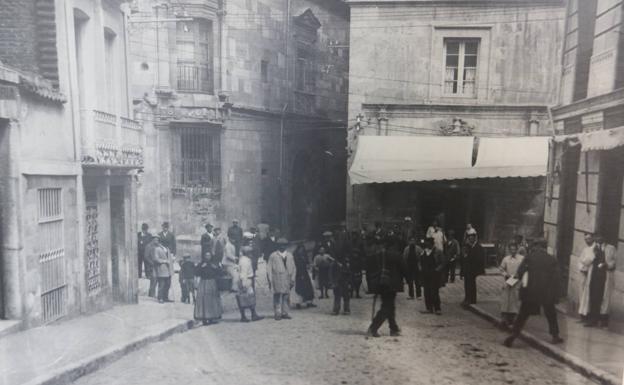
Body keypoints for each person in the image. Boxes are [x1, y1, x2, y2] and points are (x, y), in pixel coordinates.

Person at [504, 239, 563, 347]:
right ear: (545, 248)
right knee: (551, 314)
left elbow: (520, 272)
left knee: (523, 315)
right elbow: (557, 279)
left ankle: (513, 335)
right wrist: (556, 295)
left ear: (537, 247)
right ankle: (555, 336)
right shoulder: (551, 259)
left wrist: (510, 282)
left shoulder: (529, 257)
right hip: (546, 293)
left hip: (530, 292)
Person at [367, 237, 406, 337]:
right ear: (394, 245)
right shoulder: (396, 255)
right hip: (391, 284)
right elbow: (404, 268)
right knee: (387, 307)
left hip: (381, 283)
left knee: (390, 306)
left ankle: (393, 328)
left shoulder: (379, 254)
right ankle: (373, 328)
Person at [583, 234, 617, 328]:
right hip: (594, 276)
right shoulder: (591, 248)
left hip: (605, 276)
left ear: (604, 238)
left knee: (604, 299)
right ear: (595, 238)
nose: (599, 239)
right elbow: (585, 261)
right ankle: (593, 320)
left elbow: (614, 261)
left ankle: (603, 321)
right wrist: (593, 255)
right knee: (594, 297)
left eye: (601, 237)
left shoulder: (611, 248)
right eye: (597, 237)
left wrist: (608, 265)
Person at [267, 238, 296, 320]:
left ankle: (285, 312)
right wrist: (270, 279)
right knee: (277, 295)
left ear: (286, 246)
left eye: (284, 245)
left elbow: (294, 267)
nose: (282, 247)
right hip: (277, 277)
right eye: (280, 245)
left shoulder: (290, 255)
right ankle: (277, 313)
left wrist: (293, 278)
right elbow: (269, 268)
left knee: (286, 295)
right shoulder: (273, 255)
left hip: (287, 277)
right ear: (278, 246)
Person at [499, 242, 524, 327]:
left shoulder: (521, 259)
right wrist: (506, 274)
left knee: (515, 299)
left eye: (514, 249)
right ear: (509, 250)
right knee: (506, 299)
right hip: (508, 281)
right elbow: (501, 269)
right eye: (511, 249)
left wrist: (519, 274)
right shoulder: (506, 259)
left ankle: (514, 319)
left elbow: (524, 269)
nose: (513, 251)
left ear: (517, 249)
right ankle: (504, 319)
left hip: (517, 281)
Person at [194, 252, 223, 325]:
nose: (208, 257)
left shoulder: (214, 264)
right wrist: (201, 267)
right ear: (204, 256)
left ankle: (212, 317)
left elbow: (220, 272)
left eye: (209, 255)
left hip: (212, 283)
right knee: (204, 300)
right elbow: (196, 272)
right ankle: (204, 317)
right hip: (203, 283)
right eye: (206, 255)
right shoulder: (201, 264)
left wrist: (216, 268)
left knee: (212, 300)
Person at [236, 246, 264, 322]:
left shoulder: (244, 260)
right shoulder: (245, 261)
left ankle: (252, 314)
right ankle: (245, 316)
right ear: (247, 253)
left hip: (246, 280)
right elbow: (243, 273)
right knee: (245, 298)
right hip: (246, 280)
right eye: (250, 252)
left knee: (248, 297)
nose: (251, 254)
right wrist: (244, 284)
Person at [420, 238, 446, 315]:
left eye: (428, 243)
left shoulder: (438, 252)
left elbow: (443, 262)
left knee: (434, 291)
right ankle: (429, 308)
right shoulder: (423, 251)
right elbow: (420, 261)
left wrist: (437, 270)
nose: (427, 245)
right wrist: (420, 268)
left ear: (432, 243)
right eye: (426, 243)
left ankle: (437, 308)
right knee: (426, 291)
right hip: (425, 274)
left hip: (434, 274)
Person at [461, 228, 485, 306]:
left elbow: (479, 259)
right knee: (467, 284)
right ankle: (467, 298)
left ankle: (472, 299)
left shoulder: (478, 247)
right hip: (467, 268)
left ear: (475, 238)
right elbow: (464, 258)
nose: (470, 238)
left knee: (471, 284)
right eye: (469, 237)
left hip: (474, 269)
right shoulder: (468, 247)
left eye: (472, 237)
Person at [577, 233, 596, 324]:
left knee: (588, 295)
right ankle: (582, 316)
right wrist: (582, 268)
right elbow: (580, 260)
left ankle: (588, 316)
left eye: (589, 239)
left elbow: (590, 260)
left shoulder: (595, 249)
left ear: (593, 238)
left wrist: (585, 264)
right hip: (583, 274)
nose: (587, 241)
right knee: (582, 294)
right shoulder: (585, 249)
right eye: (586, 239)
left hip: (591, 274)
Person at [292, 243, 316, 309]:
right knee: (299, 288)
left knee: (308, 288)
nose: (301, 250)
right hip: (299, 273)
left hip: (304, 273)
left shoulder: (303, 255)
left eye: (302, 249)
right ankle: (298, 303)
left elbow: (307, 263)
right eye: (300, 249)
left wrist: (308, 265)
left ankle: (309, 302)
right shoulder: (296, 256)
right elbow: (297, 266)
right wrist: (301, 274)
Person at [153, 236, 174, 303]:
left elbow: (169, 258)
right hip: (161, 269)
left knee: (168, 284)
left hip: (168, 270)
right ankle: (160, 298)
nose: (167, 243)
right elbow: (156, 259)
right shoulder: (157, 249)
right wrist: (164, 261)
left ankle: (165, 297)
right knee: (161, 284)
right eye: (165, 242)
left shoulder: (167, 249)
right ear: (161, 242)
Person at [350, 232, 365, 299]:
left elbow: (363, 252)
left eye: (355, 235)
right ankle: (351, 293)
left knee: (359, 279)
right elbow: (348, 251)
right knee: (351, 279)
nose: (354, 237)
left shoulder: (360, 243)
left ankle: (357, 293)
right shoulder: (349, 242)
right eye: (353, 235)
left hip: (358, 262)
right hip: (352, 263)